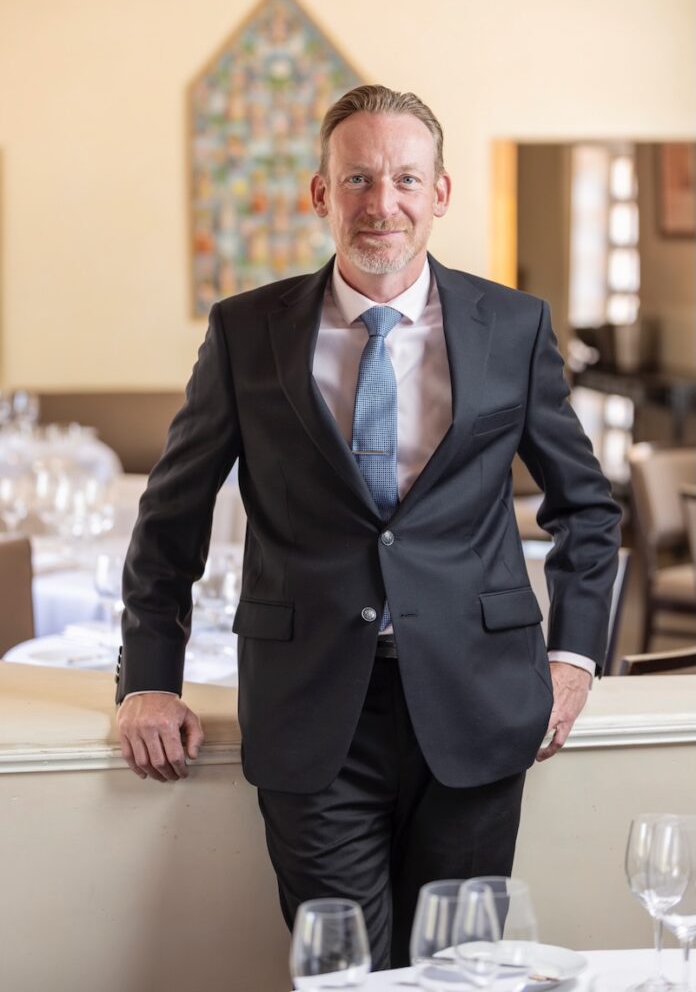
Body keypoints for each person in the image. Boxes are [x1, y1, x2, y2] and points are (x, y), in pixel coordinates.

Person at [116, 85, 621, 970]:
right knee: (343, 974)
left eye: (403, 179)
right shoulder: (246, 333)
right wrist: (148, 676)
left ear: (440, 193)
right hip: (313, 714)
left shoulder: (512, 326)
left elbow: (588, 505)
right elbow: (171, 517)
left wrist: (575, 659)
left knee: (461, 972)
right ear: (321, 195)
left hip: (478, 704)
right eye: (356, 178)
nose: (380, 203)